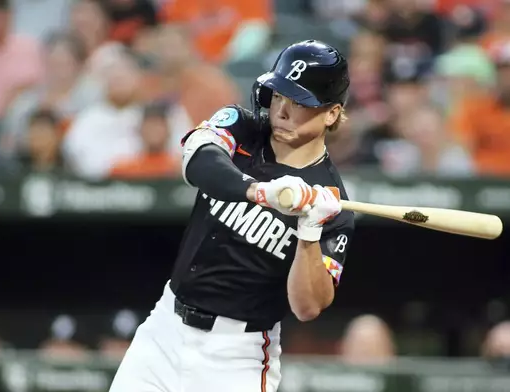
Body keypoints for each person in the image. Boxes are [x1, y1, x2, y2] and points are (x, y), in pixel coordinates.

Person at [109, 39, 355, 392]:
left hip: (237, 356)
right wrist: (257, 190)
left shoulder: (332, 204)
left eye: (299, 102)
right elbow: (197, 160)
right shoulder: (243, 127)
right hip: (164, 330)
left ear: (331, 113)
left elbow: (308, 307)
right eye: (279, 95)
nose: (282, 111)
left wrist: (310, 232)